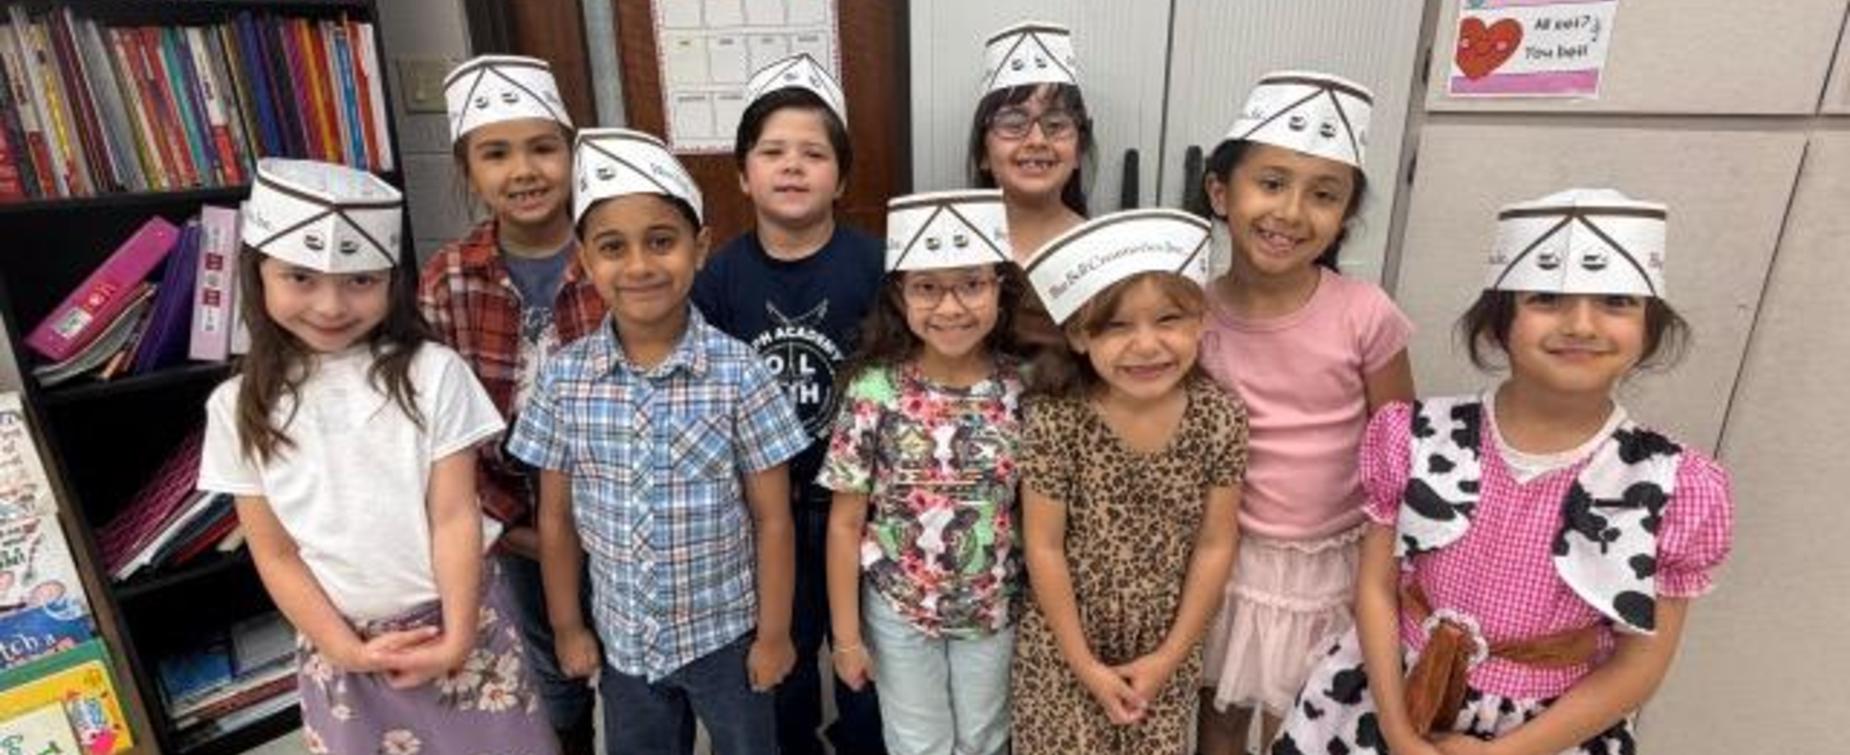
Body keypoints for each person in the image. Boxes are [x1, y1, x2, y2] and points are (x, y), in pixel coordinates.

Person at [1272, 189, 1735, 755]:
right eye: (1546, 298)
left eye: (1616, 301)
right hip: (1383, 694)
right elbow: (1374, 586)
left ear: (1648, 332)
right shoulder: (1415, 436)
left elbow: (1641, 663)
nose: (1582, 325)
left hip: (1549, 732)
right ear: (1497, 326)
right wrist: (1395, 728)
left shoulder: (1671, 486)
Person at [198, 159, 556, 754]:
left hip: (464, 623)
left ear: (392, 281)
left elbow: (454, 517)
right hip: (339, 642)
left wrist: (457, 635)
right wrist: (342, 648)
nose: (332, 305)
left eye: (360, 280)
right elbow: (277, 552)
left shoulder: (433, 373)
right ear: (258, 274)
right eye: (301, 278)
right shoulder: (237, 407)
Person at [508, 128, 809, 755]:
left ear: (699, 249)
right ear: (585, 262)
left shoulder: (741, 372)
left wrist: (776, 634)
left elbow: (773, 519)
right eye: (613, 248)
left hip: (726, 636)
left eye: (662, 242)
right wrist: (567, 626)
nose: (640, 266)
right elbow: (557, 520)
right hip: (625, 644)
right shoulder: (564, 378)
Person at [1190, 71, 1416, 753]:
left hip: (1335, 565)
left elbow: (1401, 445)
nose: (1291, 212)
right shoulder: (1189, 315)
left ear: (1345, 214)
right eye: (1271, 182)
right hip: (1226, 558)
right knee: (1222, 718)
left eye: (1323, 195)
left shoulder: (1365, 312)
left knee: (1316, 725)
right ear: (1221, 190)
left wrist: (1397, 573)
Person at [690, 53, 886, 755]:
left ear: (841, 174)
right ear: (743, 173)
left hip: (863, 510)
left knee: (868, 664)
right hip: (762, 513)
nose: (793, 166)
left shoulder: (876, 266)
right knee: (782, 661)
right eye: (772, 151)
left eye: (813, 152)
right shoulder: (718, 279)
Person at [1009, 210, 1247, 754]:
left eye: (1169, 319)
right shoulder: (1056, 418)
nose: (1146, 345)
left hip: (1167, 644)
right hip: (1063, 646)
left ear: (1202, 320)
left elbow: (1216, 543)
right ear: (1077, 334)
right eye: (1116, 325)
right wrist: (1084, 664)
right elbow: (1043, 546)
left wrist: (1170, 656)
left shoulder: (1220, 418)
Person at [420, 54, 603, 753]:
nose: (523, 170)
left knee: (628, 662)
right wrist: (509, 531)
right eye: (496, 153)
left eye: (543, 147)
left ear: (571, 154)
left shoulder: (613, 260)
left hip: (621, 516)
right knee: (552, 665)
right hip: (514, 521)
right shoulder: (448, 282)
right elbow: (436, 432)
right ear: (470, 171)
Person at [820, 190, 1026, 755]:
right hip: (899, 609)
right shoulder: (874, 390)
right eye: (928, 287)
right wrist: (845, 638)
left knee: (986, 739)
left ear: (999, 287)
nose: (951, 307)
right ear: (900, 295)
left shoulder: (1023, 388)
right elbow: (845, 523)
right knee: (917, 744)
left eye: (972, 283)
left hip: (992, 609)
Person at [967, 21, 1095, 354]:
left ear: (1079, 151)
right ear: (983, 153)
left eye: (1055, 124)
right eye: (1013, 123)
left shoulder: (1104, 251)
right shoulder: (956, 246)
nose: (1037, 140)